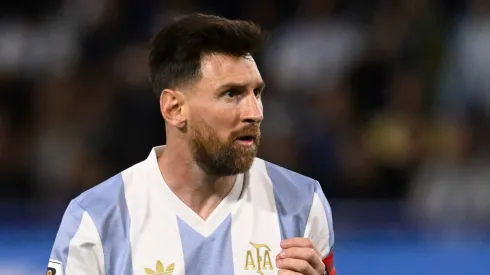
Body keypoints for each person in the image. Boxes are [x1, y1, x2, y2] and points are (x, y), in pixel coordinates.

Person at [46, 13, 336, 275]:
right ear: (174, 109)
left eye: (256, 92)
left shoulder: (302, 202)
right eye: (231, 94)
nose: (255, 113)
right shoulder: (96, 219)